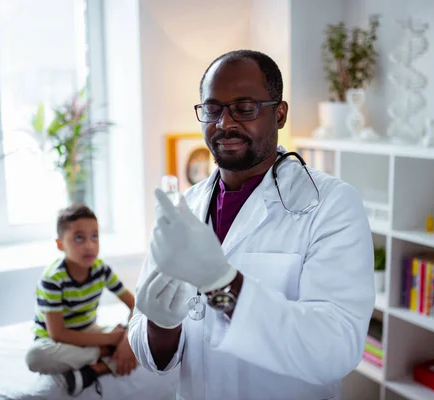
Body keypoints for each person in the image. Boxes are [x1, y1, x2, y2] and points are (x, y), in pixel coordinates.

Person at [128, 49, 375, 400]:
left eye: (245, 108)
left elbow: (335, 349)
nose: (224, 123)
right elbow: (150, 351)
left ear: (280, 114)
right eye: (212, 109)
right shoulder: (185, 208)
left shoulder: (332, 205)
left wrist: (223, 285)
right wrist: (160, 324)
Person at [25, 204, 138, 396]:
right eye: (79, 238)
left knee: (148, 342)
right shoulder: (53, 279)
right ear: (60, 244)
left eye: (95, 237)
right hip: (57, 340)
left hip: (89, 332)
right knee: (35, 357)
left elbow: (135, 305)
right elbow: (58, 334)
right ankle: (104, 355)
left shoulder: (101, 269)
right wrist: (110, 340)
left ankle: (93, 371)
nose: (89, 245)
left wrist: (126, 339)